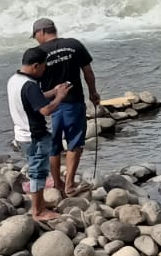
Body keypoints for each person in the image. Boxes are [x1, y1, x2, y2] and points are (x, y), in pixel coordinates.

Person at [30, 19, 100, 196]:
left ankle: (58, 183)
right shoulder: (73, 45)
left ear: (42, 32)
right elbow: (88, 72)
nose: (36, 39)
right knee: (74, 143)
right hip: (73, 102)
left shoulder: (38, 53)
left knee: (54, 144)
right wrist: (93, 93)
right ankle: (69, 184)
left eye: (35, 35)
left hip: (49, 106)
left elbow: (31, 82)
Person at [8, 46, 74, 222]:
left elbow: (33, 98)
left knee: (36, 169)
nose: (45, 70)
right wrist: (59, 97)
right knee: (38, 172)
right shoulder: (30, 85)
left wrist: (53, 91)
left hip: (21, 133)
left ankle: (41, 204)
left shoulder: (15, 79)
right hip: (34, 136)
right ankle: (37, 211)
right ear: (35, 66)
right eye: (44, 67)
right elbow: (45, 110)